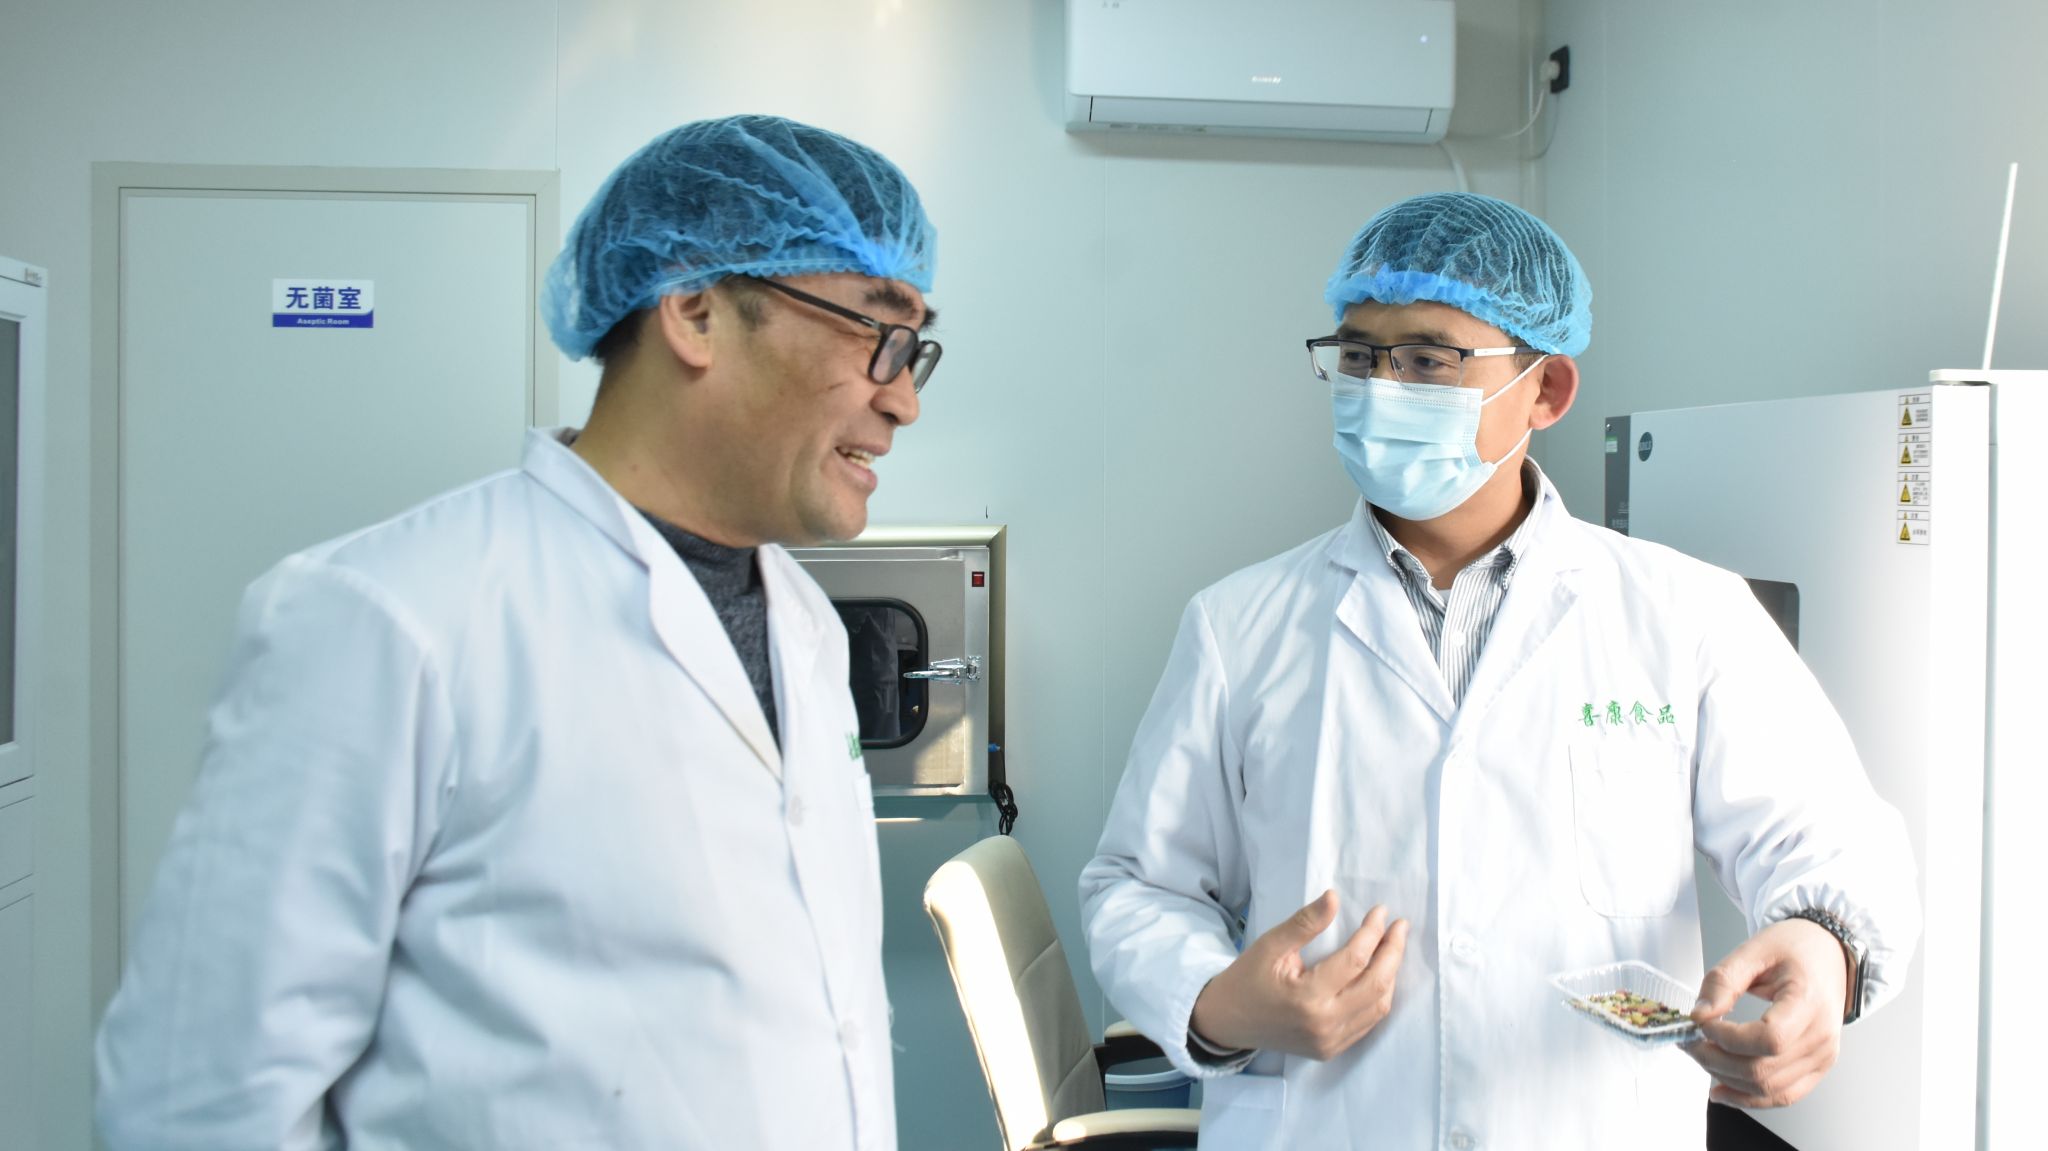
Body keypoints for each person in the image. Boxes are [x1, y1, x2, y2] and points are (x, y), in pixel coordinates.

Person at [95, 114, 940, 1151]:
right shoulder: (391, 619)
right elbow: (197, 1106)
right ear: (695, 311)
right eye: (878, 335)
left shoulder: (803, 623)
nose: (903, 401)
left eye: (916, 352)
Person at [1078, 191, 1919, 1149]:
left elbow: (1831, 843)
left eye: (1427, 359)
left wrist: (1824, 952)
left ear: (1546, 389)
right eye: (1358, 355)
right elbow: (1136, 884)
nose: (1380, 388)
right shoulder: (1239, 627)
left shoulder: (1686, 614)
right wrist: (1222, 1004)